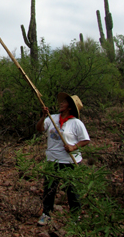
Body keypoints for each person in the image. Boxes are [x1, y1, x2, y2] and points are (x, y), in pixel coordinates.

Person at [36, 92, 90, 226]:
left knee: (72, 190)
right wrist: (43, 117)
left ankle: (75, 216)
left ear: (70, 107)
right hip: (52, 160)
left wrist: (74, 147)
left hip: (70, 161)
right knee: (49, 189)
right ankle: (46, 214)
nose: (61, 103)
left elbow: (85, 140)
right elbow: (39, 129)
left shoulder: (76, 123)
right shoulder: (52, 118)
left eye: (64, 102)